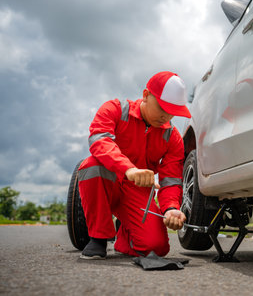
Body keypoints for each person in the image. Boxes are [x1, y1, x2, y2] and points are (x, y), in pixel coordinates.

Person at [78, 71, 190, 259]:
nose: (166, 116)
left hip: (138, 192)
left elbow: (171, 180)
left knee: (156, 249)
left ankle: (125, 232)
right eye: (162, 108)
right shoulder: (114, 109)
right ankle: (98, 238)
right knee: (91, 166)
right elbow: (99, 140)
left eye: (172, 112)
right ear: (146, 95)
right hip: (107, 180)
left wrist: (171, 208)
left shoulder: (173, 137)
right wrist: (128, 169)